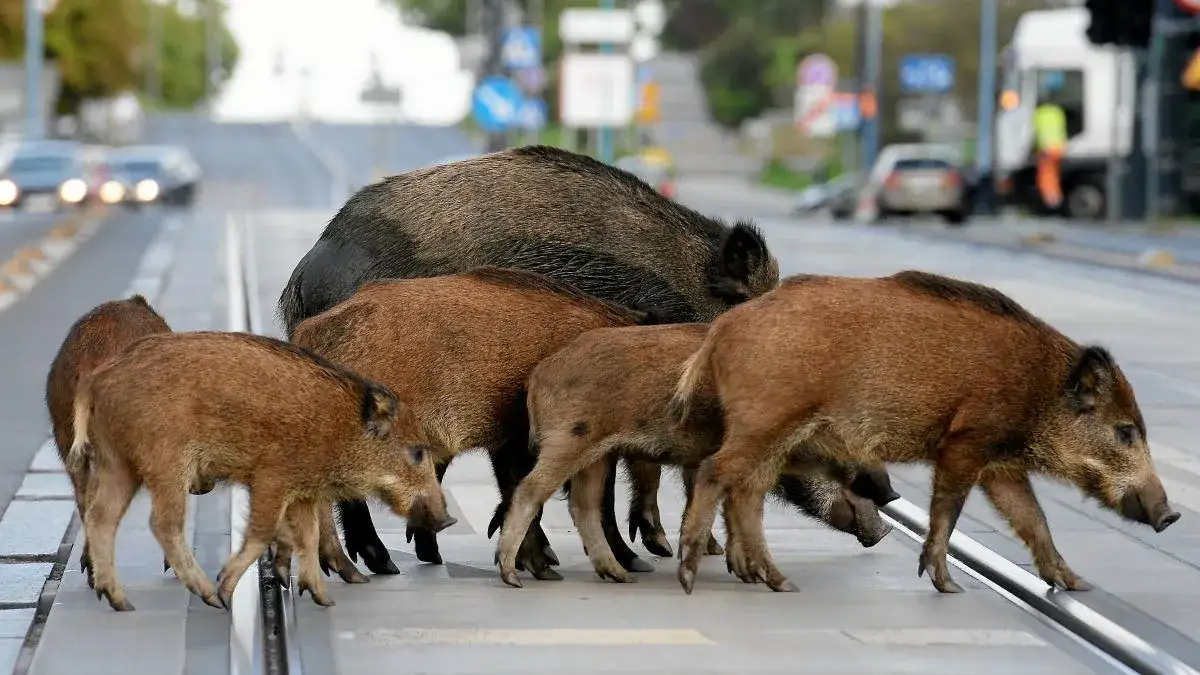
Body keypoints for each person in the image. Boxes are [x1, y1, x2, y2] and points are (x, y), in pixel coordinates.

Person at [1033, 88, 1068, 210]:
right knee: (1055, 174)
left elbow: (1035, 132)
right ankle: (1056, 197)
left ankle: (1051, 199)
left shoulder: (1039, 113)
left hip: (1046, 148)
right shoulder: (1057, 111)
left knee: (1046, 175)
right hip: (1059, 147)